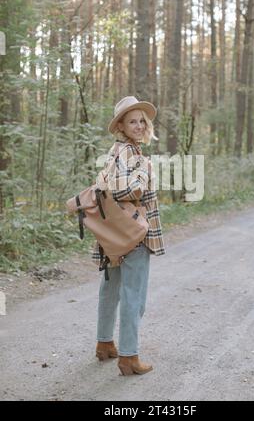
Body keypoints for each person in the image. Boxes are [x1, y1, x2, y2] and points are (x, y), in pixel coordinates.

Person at [92, 96, 166, 376]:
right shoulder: (131, 154)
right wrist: (143, 176)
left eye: (141, 121)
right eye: (132, 121)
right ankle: (129, 356)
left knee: (110, 289)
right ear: (121, 125)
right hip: (132, 233)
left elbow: (103, 186)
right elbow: (125, 189)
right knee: (134, 294)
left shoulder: (116, 151)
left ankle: (105, 343)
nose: (138, 125)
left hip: (112, 232)